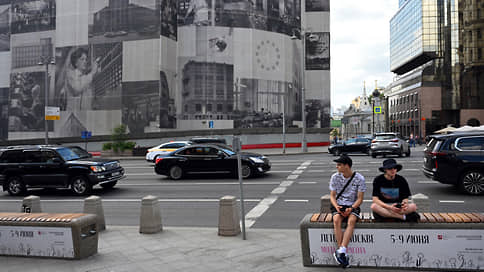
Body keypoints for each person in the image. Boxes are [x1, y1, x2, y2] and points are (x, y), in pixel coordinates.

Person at [329, 154, 366, 268]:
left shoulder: (359, 178)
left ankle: (341, 251)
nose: (337, 167)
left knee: (351, 221)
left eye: (339, 165)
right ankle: (342, 251)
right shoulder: (335, 177)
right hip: (339, 205)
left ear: (347, 166)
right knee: (336, 220)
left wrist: (351, 208)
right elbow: (332, 196)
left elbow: (360, 199)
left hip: (352, 205)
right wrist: (337, 208)